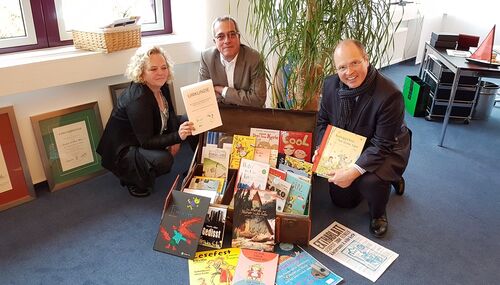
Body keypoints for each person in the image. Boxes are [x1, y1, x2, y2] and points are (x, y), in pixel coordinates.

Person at [315, 39, 411, 238]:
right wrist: (323, 148)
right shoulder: (330, 85)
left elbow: (382, 144)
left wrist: (353, 172)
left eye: (354, 63)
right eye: (342, 67)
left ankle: (378, 212)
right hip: (350, 143)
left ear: (366, 60)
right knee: (343, 201)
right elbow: (323, 122)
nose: (349, 72)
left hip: (387, 146)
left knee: (370, 181)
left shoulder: (390, 94)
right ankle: (386, 178)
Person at [97, 46, 195, 197]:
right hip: (125, 150)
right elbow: (146, 141)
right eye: (153, 69)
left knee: (190, 119)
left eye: (164, 67)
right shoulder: (138, 99)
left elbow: (170, 115)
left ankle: (196, 165)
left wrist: (175, 139)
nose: (161, 73)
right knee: (164, 160)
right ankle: (132, 178)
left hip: (148, 133)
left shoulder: (162, 86)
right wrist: (177, 137)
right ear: (141, 72)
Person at [199, 15, 267, 107]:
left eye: (232, 35)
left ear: (238, 37)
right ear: (215, 41)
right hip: (222, 114)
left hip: (249, 114)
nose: (227, 40)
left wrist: (223, 91)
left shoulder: (254, 58)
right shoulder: (206, 58)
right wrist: (243, 98)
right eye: (220, 36)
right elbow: (204, 97)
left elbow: (258, 100)